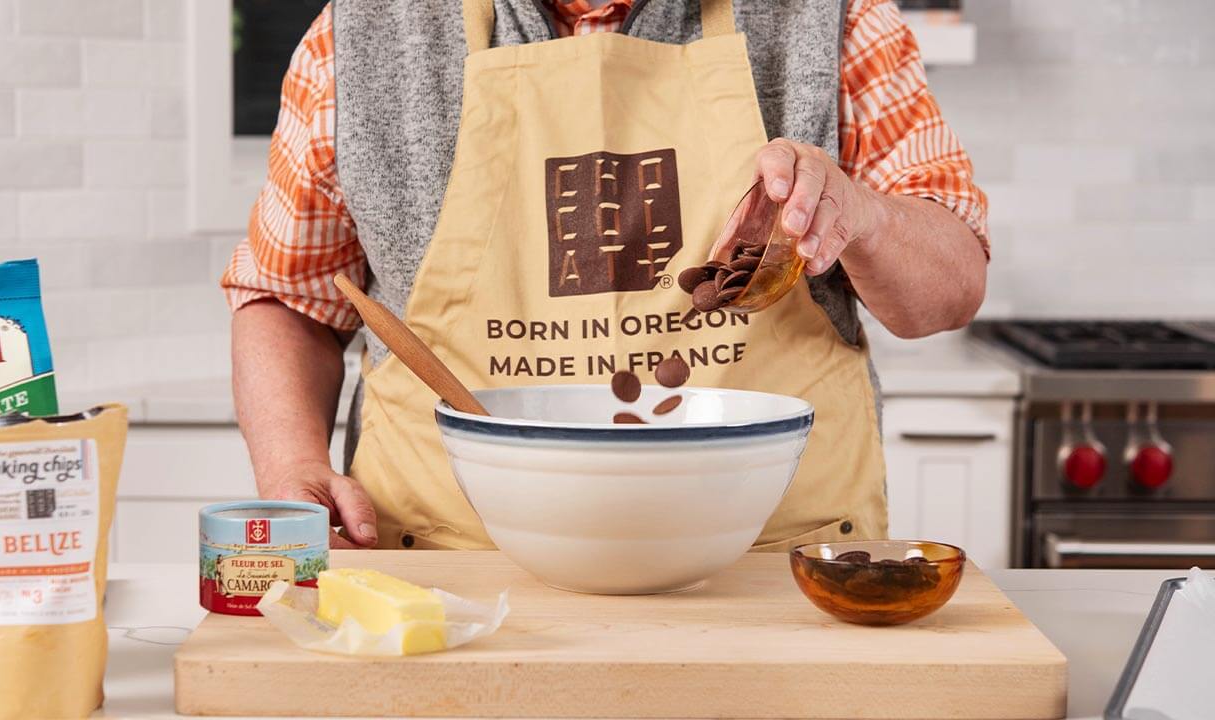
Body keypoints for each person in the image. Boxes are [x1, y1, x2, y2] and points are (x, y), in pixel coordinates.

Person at [222, 0, 988, 551]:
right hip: (453, 575)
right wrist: (293, 466)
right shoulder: (358, 35)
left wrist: (863, 214)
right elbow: (291, 299)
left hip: (765, 573)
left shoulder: (836, 19)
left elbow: (948, 293)